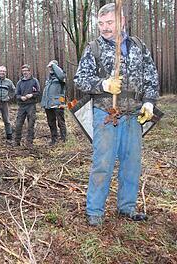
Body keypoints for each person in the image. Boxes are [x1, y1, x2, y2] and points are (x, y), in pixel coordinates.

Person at [74, 3, 159, 226]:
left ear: (122, 21)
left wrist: (149, 102)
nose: (104, 27)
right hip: (106, 114)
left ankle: (127, 208)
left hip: (133, 115)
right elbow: (80, 79)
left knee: (132, 163)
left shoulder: (138, 46)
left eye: (109, 22)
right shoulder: (93, 48)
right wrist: (103, 84)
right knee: (103, 163)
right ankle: (94, 211)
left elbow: (151, 77)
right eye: (101, 23)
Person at [41, 60, 67, 145]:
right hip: (48, 104)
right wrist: (44, 104)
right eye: (50, 67)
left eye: (52, 67)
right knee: (51, 122)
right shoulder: (49, 79)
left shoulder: (61, 77)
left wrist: (53, 65)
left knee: (61, 122)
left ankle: (64, 140)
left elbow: (61, 75)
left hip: (58, 103)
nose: (50, 69)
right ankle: (54, 139)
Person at [14, 64, 40, 147]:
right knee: (18, 124)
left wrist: (32, 95)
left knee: (31, 124)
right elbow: (16, 95)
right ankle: (17, 141)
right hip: (22, 106)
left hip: (31, 105)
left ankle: (29, 142)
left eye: (26, 71)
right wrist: (21, 97)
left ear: (29, 71)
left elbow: (38, 92)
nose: (25, 72)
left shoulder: (34, 81)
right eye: (23, 71)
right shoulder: (19, 82)